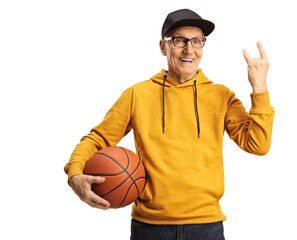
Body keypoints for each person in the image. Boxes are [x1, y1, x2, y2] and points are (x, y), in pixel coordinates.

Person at [64, 8, 274, 240]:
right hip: (149, 227)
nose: (189, 49)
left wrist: (259, 88)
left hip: (206, 226)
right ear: (163, 47)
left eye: (197, 41)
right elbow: (97, 139)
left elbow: (258, 145)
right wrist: (74, 174)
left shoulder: (221, 96)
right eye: (179, 40)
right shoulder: (137, 94)